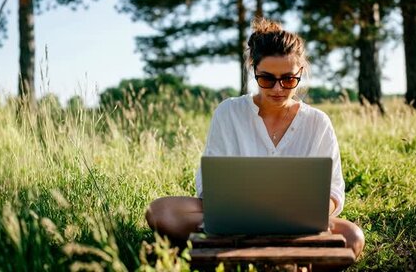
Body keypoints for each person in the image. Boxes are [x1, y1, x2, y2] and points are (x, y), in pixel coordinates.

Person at [145, 18, 365, 258]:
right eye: (267, 79)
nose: (278, 88)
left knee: (352, 237)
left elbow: (333, 192)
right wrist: (242, 211)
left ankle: (238, 249)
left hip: (296, 223)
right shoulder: (228, 112)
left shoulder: (318, 122)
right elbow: (209, 185)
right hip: (234, 218)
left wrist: (299, 217)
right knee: (161, 212)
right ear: (254, 70)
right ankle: (283, 253)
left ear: (300, 72)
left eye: (289, 79)